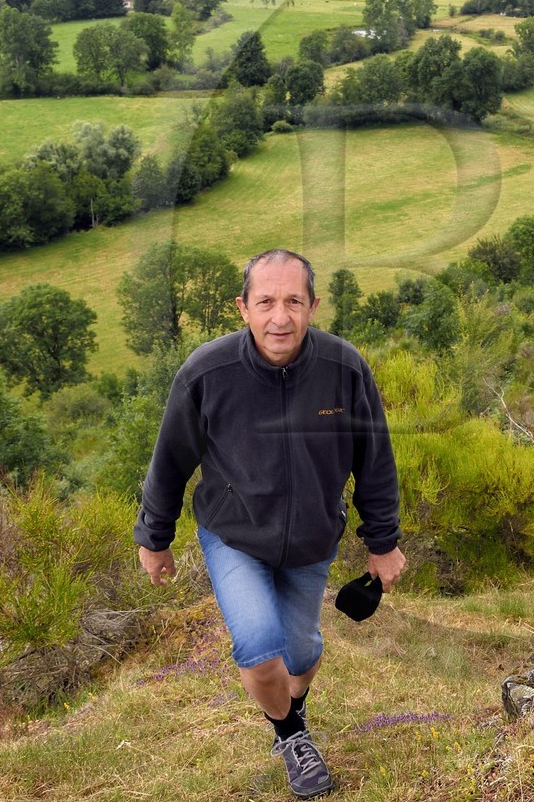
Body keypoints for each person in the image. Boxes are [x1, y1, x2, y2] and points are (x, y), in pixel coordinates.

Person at [135, 248, 406, 799]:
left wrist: (384, 543)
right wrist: (154, 537)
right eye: (265, 302)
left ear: (313, 305)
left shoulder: (344, 368)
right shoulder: (206, 373)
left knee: (301, 653)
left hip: (312, 537)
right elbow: (170, 460)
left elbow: (374, 460)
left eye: (292, 302)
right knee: (260, 647)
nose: (279, 317)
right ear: (243, 308)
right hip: (233, 534)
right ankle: (291, 736)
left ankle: (294, 704)